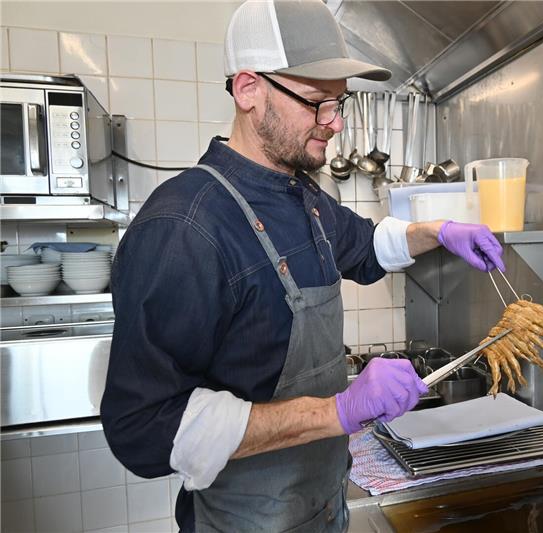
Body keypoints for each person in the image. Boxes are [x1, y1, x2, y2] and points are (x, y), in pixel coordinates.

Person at [100, 1, 506, 531]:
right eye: (317, 103)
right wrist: (336, 412)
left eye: (340, 102)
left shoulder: (302, 196)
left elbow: (366, 245)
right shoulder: (184, 228)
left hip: (324, 507)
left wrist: (440, 231)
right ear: (249, 89)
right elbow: (145, 427)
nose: (336, 123)